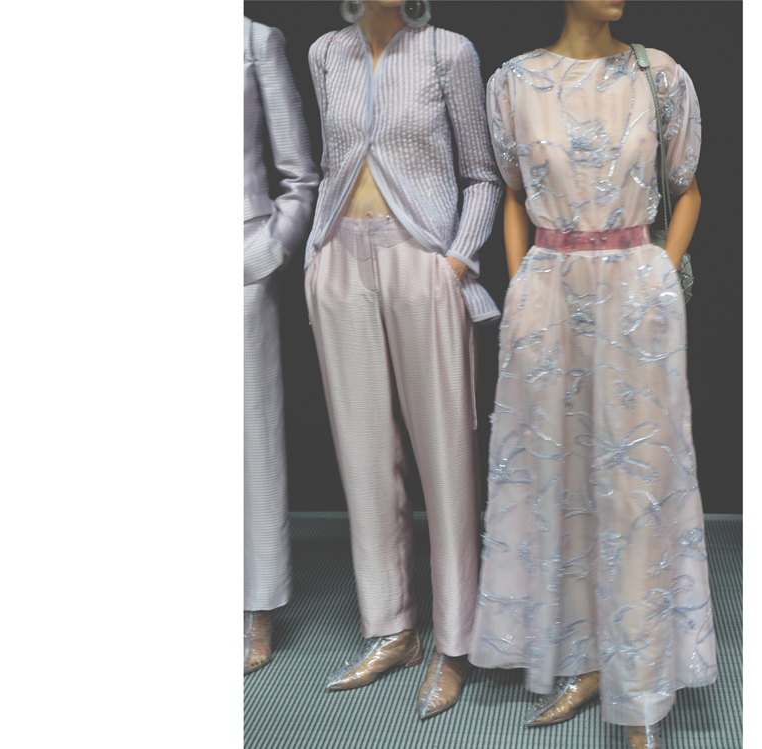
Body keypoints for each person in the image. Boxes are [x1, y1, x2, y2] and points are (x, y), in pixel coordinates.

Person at [468, 2, 716, 746]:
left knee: (636, 483)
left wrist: (661, 276)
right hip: (548, 295)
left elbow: (688, 187)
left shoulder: (659, 75)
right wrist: (521, 285)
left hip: (637, 295)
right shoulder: (513, 82)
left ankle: (637, 675)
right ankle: (580, 656)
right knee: (559, 477)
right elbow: (514, 196)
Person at [303, 0, 503, 718]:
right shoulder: (326, 53)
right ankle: (392, 629)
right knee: (362, 456)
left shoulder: (449, 50)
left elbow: (483, 174)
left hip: (422, 262)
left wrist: (455, 260)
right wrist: (316, 254)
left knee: (446, 457)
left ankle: (455, 641)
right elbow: (329, 165)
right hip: (339, 260)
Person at [243, 16, 320, 675]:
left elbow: (300, 173)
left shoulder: (252, 39)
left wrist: (269, 251)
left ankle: (259, 603)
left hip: (237, 260)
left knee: (253, 437)